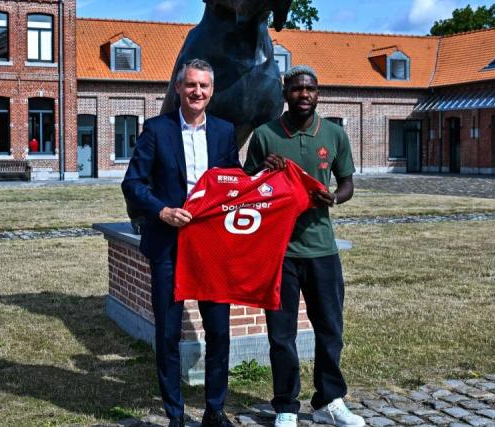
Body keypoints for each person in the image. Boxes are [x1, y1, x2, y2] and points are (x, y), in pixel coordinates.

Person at [243, 65, 364, 427]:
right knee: (281, 334)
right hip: (279, 253)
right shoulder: (265, 135)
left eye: (310, 89)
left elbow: (347, 183)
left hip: (322, 249)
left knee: (330, 329)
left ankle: (329, 400)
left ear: (318, 93)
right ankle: (285, 406)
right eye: (297, 89)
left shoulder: (334, 134)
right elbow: (249, 189)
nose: (304, 95)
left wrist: (335, 198)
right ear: (285, 94)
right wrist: (264, 171)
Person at [122, 58, 239, 427]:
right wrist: (162, 211)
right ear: (178, 88)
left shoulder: (224, 131)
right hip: (169, 244)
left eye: (204, 86)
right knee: (169, 333)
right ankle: (175, 414)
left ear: (212, 91)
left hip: (211, 245)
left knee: (219, 330)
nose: (197, 92)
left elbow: (233, 181)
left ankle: (214, 410)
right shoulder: (156, 130)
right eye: (191, 85)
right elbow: (134, 183)